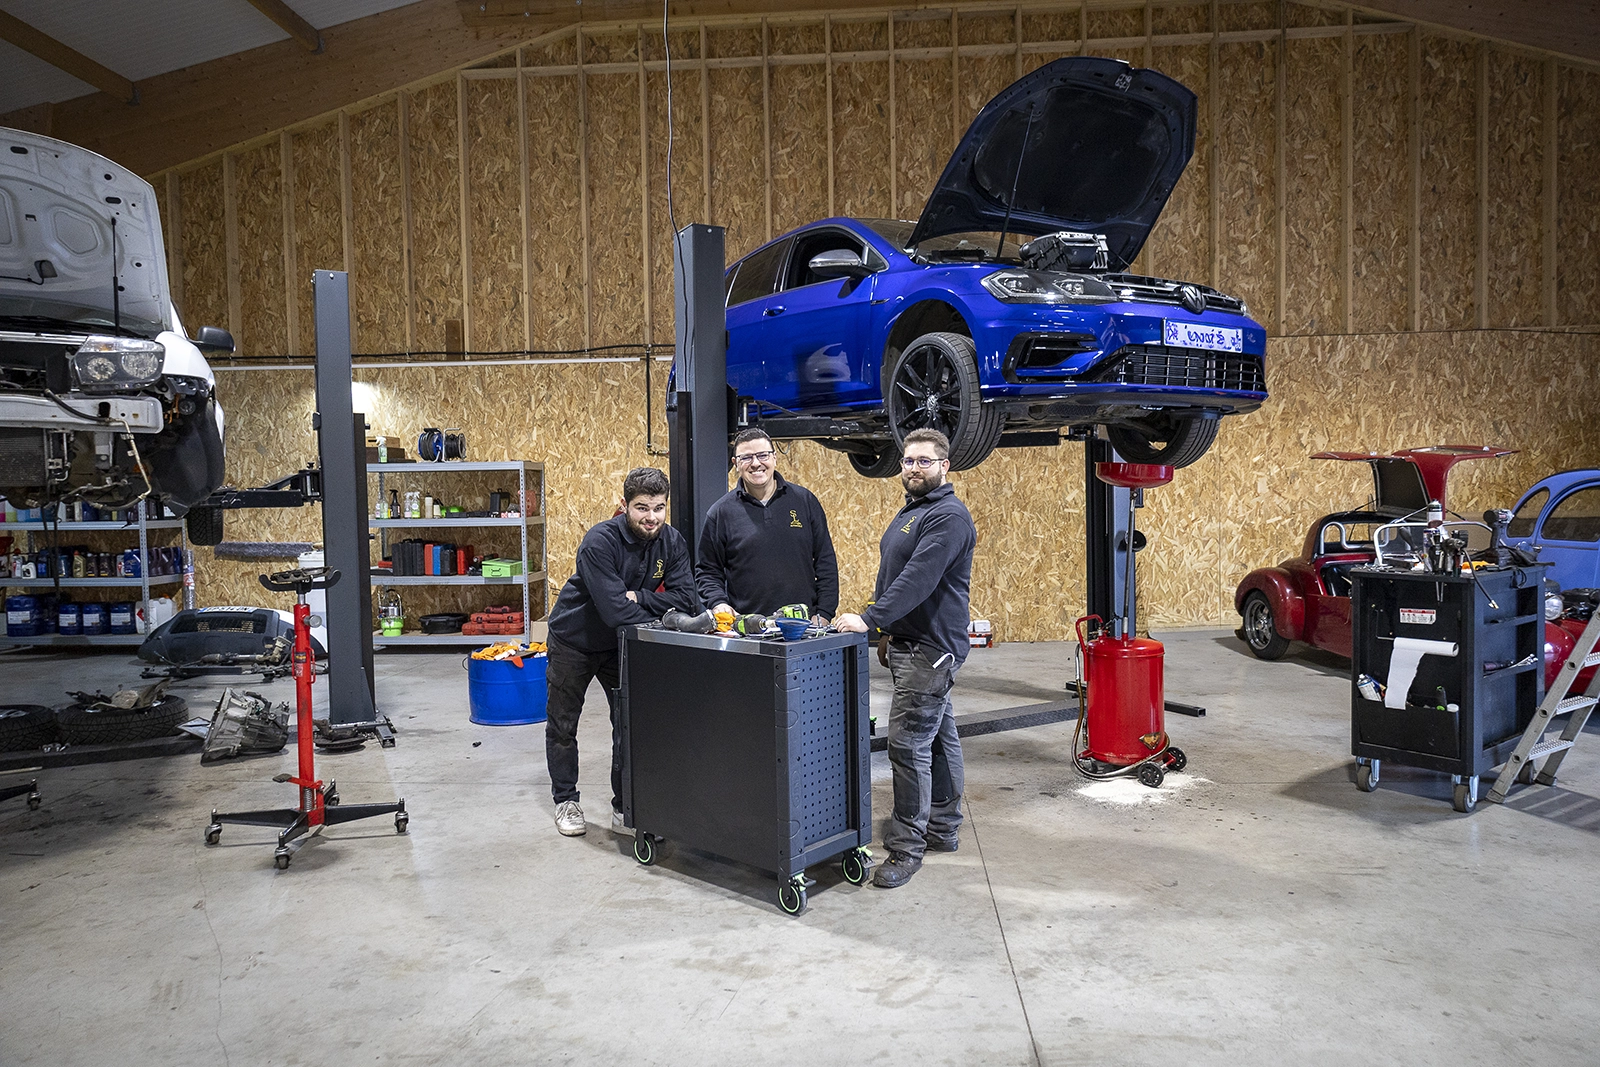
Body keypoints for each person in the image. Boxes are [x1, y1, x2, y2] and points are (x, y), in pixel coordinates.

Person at [834, 428, 977, 889]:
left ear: (944, 466)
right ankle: (943, 828)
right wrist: (889, 632)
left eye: (924, 461)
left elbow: (918, 579)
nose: (914, 468)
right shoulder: (914, 510)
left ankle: (906, 848)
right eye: (908, 460)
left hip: (930, 649)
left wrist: (870, 620)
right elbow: (894, 574)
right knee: (938, 740)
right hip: (911, 642)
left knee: (908, 745)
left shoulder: (948, 517)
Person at [544, 467, 700, 838]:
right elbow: (615, 611)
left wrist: (641, 597)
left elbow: (688, 600)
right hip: (575, 640)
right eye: (642, 507)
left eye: (659, 508)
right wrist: (659, 607)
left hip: (621, 643)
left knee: (628, 725)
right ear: (624, 505)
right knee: (563, 724)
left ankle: (625, 806)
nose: (651, 517)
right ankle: (565, 799)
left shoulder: (672, 542)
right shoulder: (599, 542)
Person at [696, 428, 839, 624]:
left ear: (774, 458)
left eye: (762, 455)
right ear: (735, 463)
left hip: (804, 627)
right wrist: (718, 602)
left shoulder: (804, 501)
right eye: (746, 458)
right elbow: (708, 571)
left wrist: (824, 613)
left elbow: (825, 561)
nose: (756, 463)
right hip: (748, 629)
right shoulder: (720, 513)